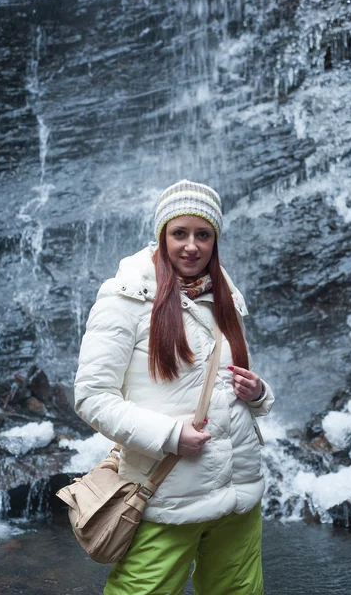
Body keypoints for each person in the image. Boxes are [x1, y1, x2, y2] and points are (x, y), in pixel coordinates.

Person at [74, 179, 274, 595]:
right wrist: (169, 435)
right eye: (179, 233)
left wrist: (259, 394)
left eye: (203, 235)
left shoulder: (226, 297)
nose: (191, 246)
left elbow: (221, 387)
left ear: (215, 239)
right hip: (167, 496)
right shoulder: (123, 299)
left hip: (239, 491)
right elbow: (92, 397)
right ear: (161, 234)